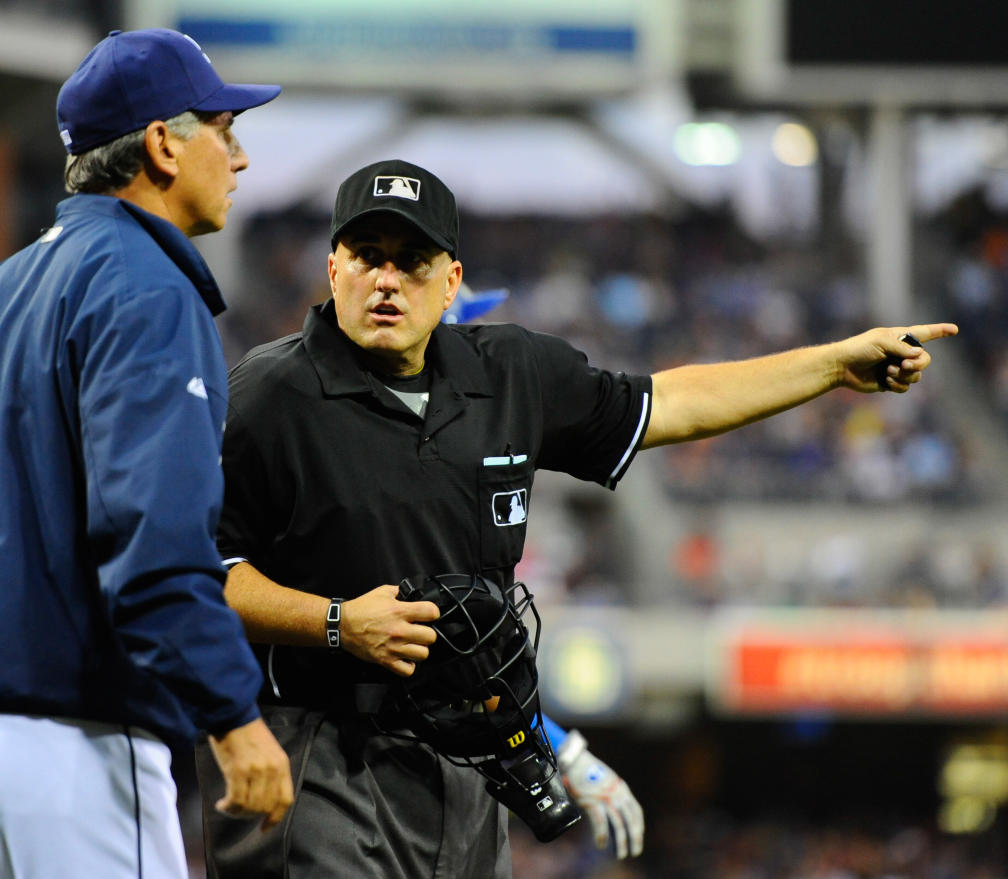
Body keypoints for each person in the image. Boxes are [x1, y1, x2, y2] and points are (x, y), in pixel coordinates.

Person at [195, 157, 960, 878]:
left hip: (466, 764)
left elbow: (676, 403)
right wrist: (335, 621)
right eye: (367, 254)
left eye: (412, 259)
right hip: (315, 745)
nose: (387, 279)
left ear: (451, 278)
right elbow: (195, 574)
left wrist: (830, 365)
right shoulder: (267, 397)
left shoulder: (512, 373)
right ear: (333, 267)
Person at [0, 28, 294, 879]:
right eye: (223, 128)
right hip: (61, 736)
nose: (239, 159)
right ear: (163, 145)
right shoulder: (144, 282)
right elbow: (155, 536)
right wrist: (234, 714)